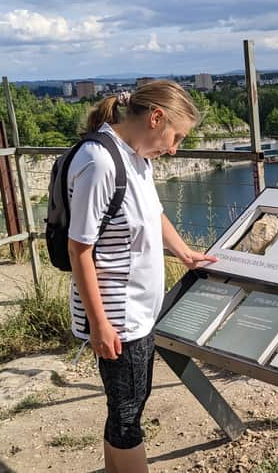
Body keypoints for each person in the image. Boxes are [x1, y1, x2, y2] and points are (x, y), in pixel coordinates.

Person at [67, 80, 217, 473]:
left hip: (136, 312)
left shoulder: (136, 158)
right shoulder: (99, 163)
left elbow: (154, 214)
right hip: (120, 318)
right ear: (155, 118)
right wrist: (100, 324)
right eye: (176, 136)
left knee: (124, 410)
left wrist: (184, 252)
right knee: (129, 417)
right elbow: (79, 248)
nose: (174, 149)